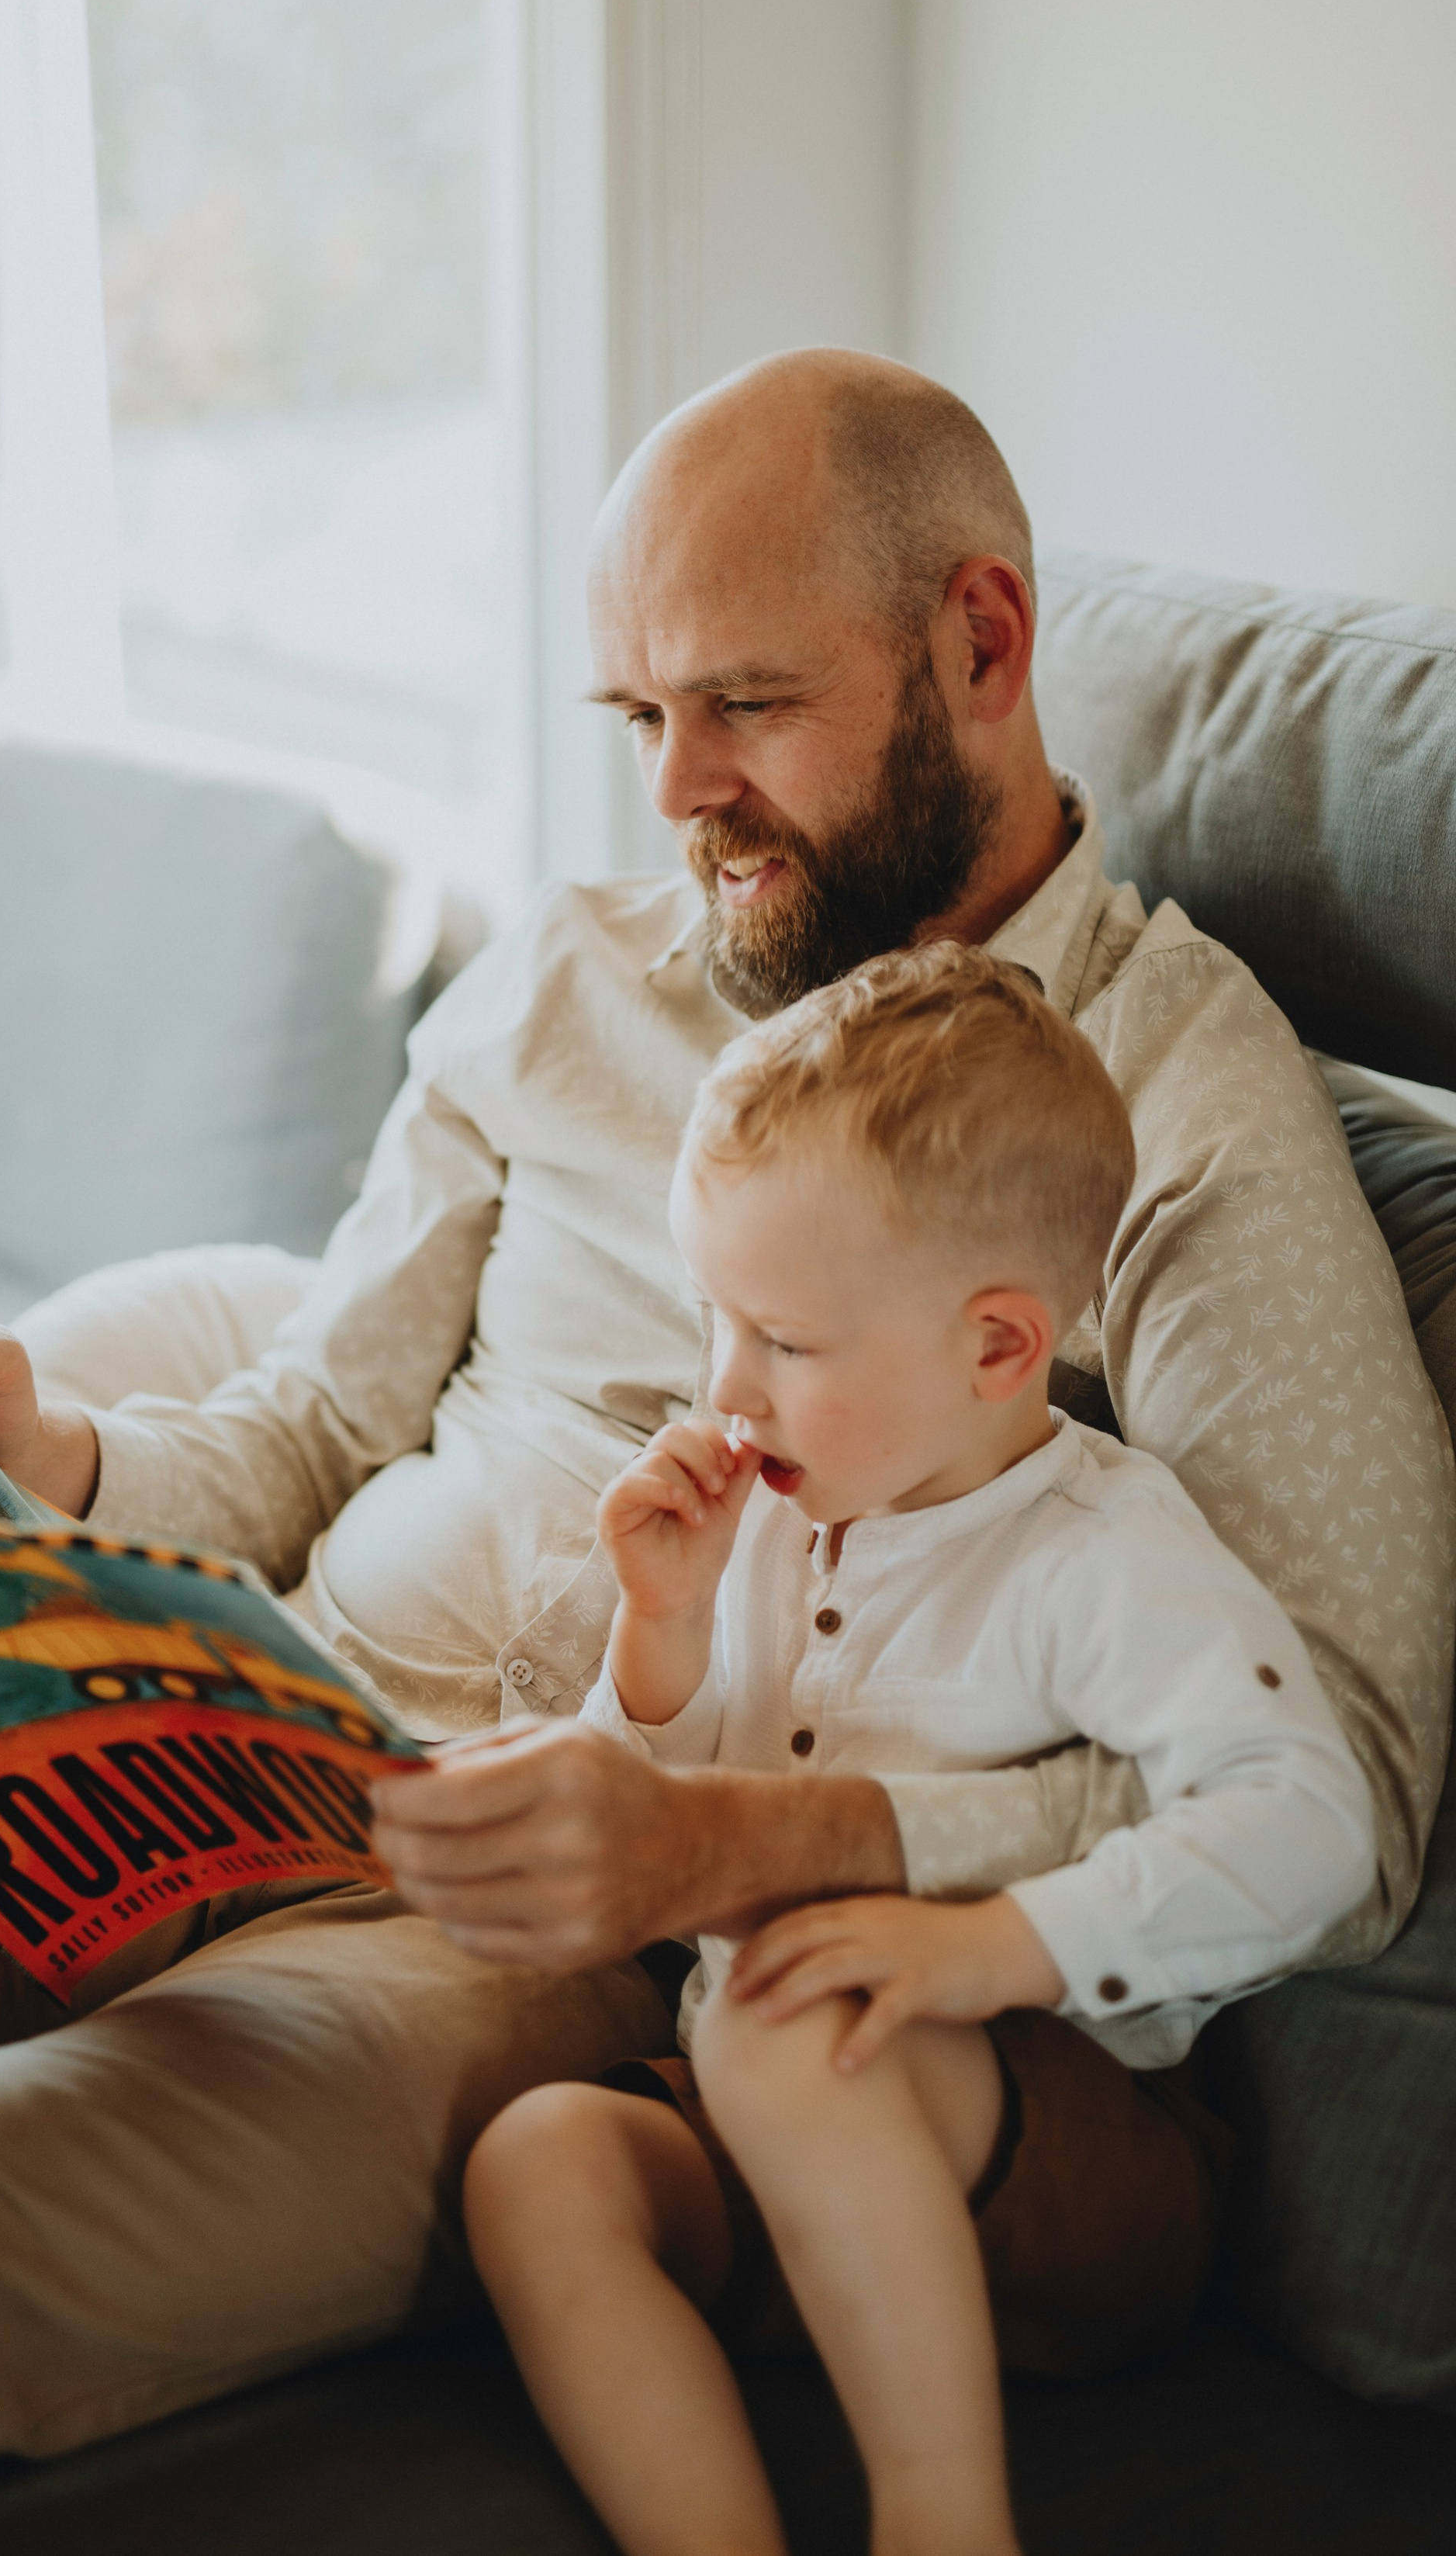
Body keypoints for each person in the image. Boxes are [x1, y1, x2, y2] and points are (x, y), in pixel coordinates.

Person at [0, 353, 1446, 2552]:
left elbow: (1333, 1780)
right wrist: (66, 1459)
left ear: (980, 643)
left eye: (746, 705)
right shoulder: (572, 979)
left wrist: (722, 1851)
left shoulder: (1169, 1097)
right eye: (639, 720)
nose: (680, 792)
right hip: (217, 1726)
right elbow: (317, 1412)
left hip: (543, 1939)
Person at [463, 943, 1375, 2556]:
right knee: (538, 2163)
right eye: (711, 1321)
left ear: (999, 1350)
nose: (724, 1392)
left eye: (784, 1341)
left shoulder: (1099, 1553)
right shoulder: (774, 1514)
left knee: (775, 2009)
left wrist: (982, 1951)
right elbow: (673, 1870)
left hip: (1079, 2162)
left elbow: (1313, 1822)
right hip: (784, 2122)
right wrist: (659, 1637)